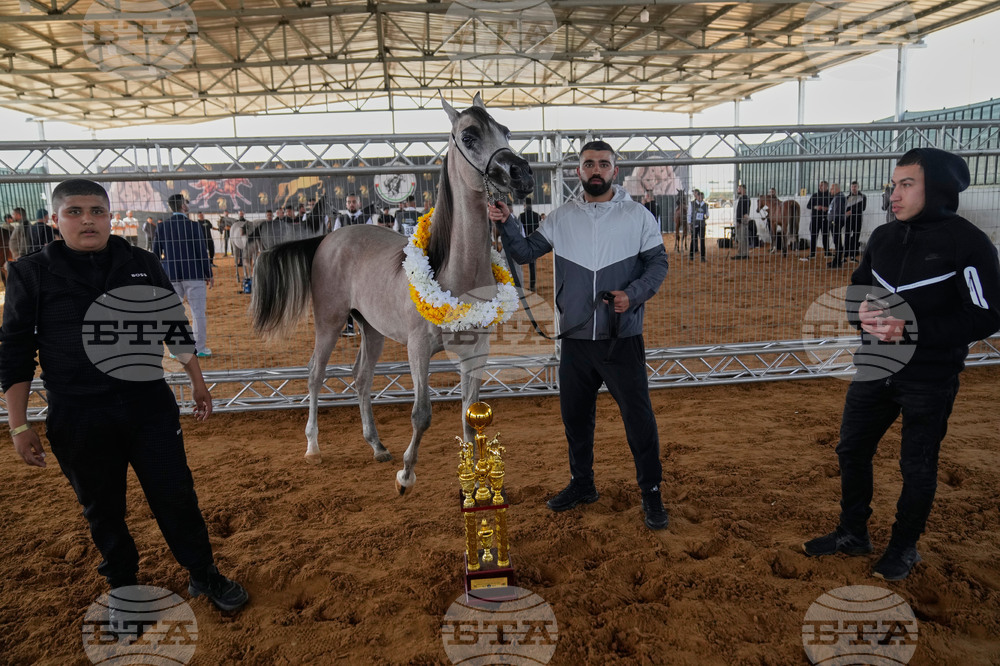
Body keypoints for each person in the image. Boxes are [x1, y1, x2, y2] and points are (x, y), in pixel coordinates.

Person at [0, 178, 248, 615]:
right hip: (77, 414)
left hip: (147, 406)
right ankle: (124, 585)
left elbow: (174, 325)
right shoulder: (30, 272)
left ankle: (203, 572)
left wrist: (197, 379)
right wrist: (18, 425)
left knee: (176, 494)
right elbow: (16, 353)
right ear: (56, 220)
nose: (88, 220)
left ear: (111, 216)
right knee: (102, 507)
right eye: (74, 212)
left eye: (97, 211)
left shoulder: (142, 262)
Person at [803, 148, 1000, 580]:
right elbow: (858, 289)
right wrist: (861, 315)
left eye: (906, 184)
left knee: (917, 465)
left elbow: (986, 314)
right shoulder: (884, 237)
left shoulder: (967, 242)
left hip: (929, 377)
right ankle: (852, 532)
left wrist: (911, 329)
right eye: (893, 185)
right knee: (852, 449)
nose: (894, 194)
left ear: (938, 189)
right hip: (874, 366)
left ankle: (904, 547)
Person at [488, 140, 670, 531]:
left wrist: (632, 295)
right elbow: (522, 252)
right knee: (575, 419)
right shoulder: (562, 216)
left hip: (621, 339)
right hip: (574, 341)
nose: (596, 170)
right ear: (578, 171)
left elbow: (658, 264)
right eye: (589, 164)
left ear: (614, 171)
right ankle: (582, 484)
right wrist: (507, 221)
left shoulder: (638, 216)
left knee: (639, 421)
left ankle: (651, 493)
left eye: (603, 164)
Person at [154, 194, 214, 358]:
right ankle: (199, 348)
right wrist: (208, 273)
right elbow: (201, 252)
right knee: (198, 313)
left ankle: (178, 348)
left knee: (173, 313)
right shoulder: (194, 226)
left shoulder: (162, 227)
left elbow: (156, 254)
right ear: (183, 206)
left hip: (171, 274)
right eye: (186, 203)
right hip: (194, 274)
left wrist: (160, 274)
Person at [518, 197, 542, 291]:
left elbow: (519, 231)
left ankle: (520, 285)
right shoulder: (537, 216)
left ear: (524, 205)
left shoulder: (521, 216)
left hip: (523, 243)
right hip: (534, 243)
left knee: (519, 266)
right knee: (532, 265)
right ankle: (532, 286)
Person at [806, 180, 832, 261]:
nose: (820, 187)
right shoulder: (815, 195)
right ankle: (812, 253)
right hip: (815, 219)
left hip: (826, 219)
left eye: (822, 185)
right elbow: (808, 206)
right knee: (813, 236)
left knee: (825, 236)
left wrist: (826, 209)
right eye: (820, 185)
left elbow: (833, 207)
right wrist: (816, 207)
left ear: (826, 186)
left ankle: (827, 252)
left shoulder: (830, 196)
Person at [844, 181, 868, 262]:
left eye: (855, 186)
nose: (854, 188)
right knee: (846, 237)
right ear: (850, 187)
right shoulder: (847, 198)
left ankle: (852, 256)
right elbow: (845, 209)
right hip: (848, 220)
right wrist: (847, 213)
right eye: (852, 186)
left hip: (857, 219)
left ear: (858, 187)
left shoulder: (862, 197)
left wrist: (851, 212)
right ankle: (845, 256)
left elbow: (862, 208)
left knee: (856, 237)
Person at [826, 183, 846, 268]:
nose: (830, 191)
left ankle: (837, 262)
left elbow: (837, 211)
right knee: (836, 242)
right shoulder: (837, 197)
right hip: (834, 221)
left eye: (832, 189)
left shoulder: (839, 197)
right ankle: (836, 260)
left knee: (837, 242)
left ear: (836, 189)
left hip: (836, 222)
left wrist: (834, 221)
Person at [689, 189, 708, 263]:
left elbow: (707, 214)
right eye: (699, 197)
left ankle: (703, 257)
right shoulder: (692, 204)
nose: (701, 199)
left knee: (702, 240)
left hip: (702, 224)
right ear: (697, 197)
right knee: (693, 240)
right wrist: (689, 223)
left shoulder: (705, 205)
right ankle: (691, 255)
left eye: (702, 197)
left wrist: (706, 217)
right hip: (694, 224)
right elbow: (689, 214)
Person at [732, 184, 751, 260]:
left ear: (743, 190)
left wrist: (739, 221)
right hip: (743, 220)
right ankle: (745, 253)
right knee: (744, 238)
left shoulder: (744, 199)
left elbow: (743, 212)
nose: (737, 190)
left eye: (739, 189)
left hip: (742, 221)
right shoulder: (745, 198)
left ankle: (741, 254)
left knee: (741, 238)